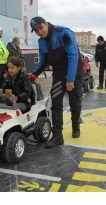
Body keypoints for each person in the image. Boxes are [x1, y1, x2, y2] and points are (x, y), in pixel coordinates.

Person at [29, 16, 83, 148]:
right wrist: (34, 74)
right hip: (58, 74)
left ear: (46, 24)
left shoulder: (63, 32)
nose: (39, 32)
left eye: (40, 28)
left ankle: (76, 125)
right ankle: (58, 136)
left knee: (74, 103)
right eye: (36, 30)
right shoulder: (41, 42)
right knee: (56, 103)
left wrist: (70, 79)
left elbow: (73, 55)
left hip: (74, 72)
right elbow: (43, 60)